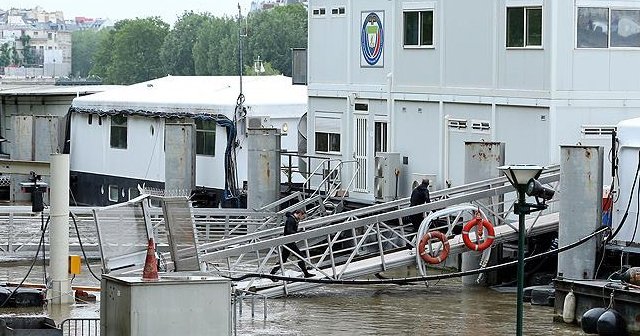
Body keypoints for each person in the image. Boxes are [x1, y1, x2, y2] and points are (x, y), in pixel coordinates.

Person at [270, 209, 316, 278]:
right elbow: (289, 230)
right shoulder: (291, 220)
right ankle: (306, 273)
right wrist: (298, 233)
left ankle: (272, 274)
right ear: (300, 214)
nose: (303, 219)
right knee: (301, 256)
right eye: (303, 217)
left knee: (283, 259)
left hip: (288, 241)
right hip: (289, 241)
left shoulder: (293, 218)